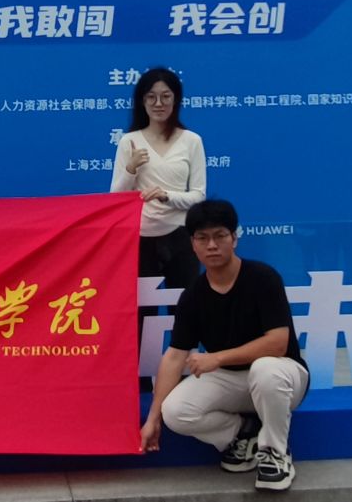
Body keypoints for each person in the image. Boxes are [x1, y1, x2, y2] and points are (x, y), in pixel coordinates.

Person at [139, 199, 309, 493]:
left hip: (282, 376)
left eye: (220, 236)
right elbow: (175, 355)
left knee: (265, 370)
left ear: (234, 237)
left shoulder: (263, 278)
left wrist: (217, 358)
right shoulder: (193, 296)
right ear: (192, 244)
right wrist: (153, 419)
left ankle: (276, 454)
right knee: (175, 411)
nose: (212, 245)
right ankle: (243, 434)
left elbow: (278, 344)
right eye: (202, 238)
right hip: (232, 379)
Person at [110, 67, 206, 387]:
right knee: (141, 314)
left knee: (185, 310)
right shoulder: (130, 141)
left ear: (176, 100)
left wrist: (167, 196)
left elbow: (198, 196)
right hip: (140, 238)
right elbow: (115, 198)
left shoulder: (191, 141)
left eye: (166, 96)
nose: (159, 103)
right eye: (151, 97)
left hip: (180, 237)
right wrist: (130, 170)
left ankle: (184, 381)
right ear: (141, 101)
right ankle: (140, 385)